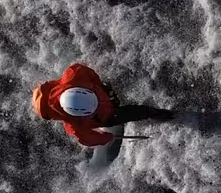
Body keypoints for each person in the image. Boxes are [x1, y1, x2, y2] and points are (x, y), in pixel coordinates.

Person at [32, 63, 173, 147]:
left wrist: (100, 85)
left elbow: (87, 71)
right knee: (140, 112)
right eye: (92, 110)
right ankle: (170, 116)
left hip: (101, 92)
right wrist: (106, 137)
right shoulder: (75, 126)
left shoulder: (75, 75)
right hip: (107, 116)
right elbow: (89, 139)